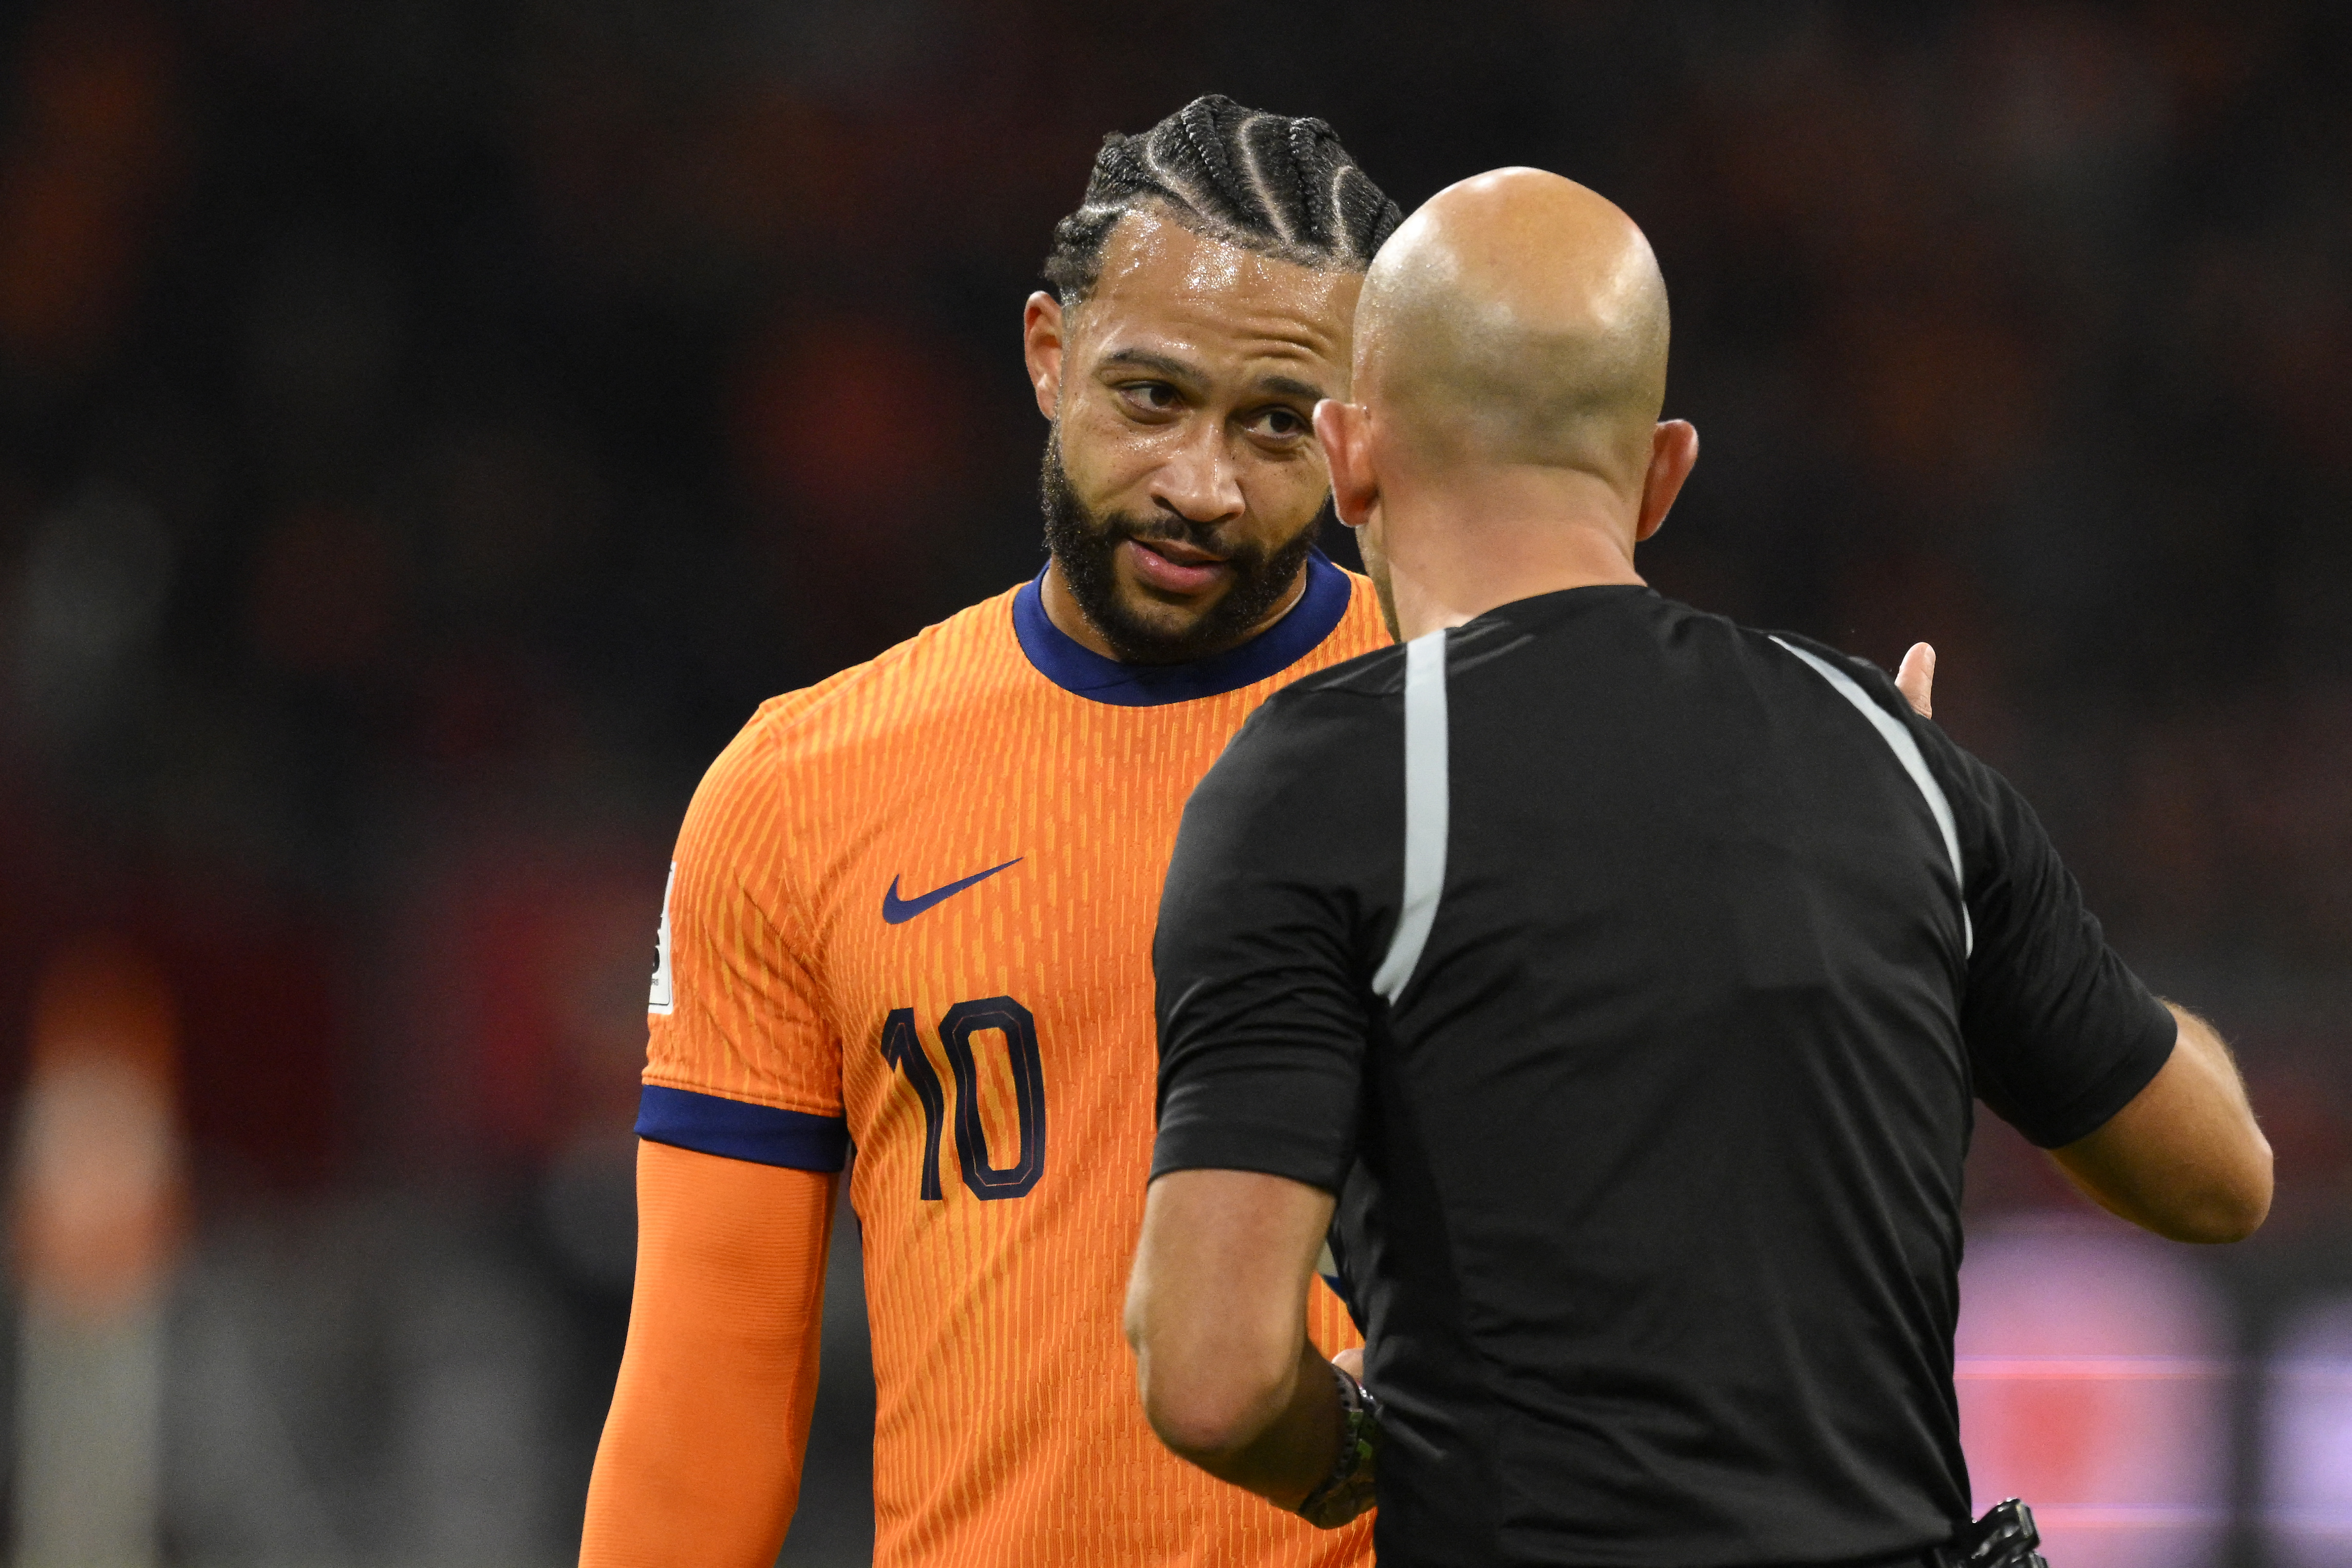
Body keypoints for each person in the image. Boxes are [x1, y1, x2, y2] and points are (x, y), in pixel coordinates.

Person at [1127, 168, 2272, 1568]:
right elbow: (2220, 1179)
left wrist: (1365, 1455)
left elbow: (1212, 1378)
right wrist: (1947, 868)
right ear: (1661, 473)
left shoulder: (1326, 784)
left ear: (1349, 453)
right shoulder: (1895, 765)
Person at [575, 96, 1408, 1568]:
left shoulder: (1489, 732)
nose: (1199, 484)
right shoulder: (796, 790)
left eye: (1274, 424)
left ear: (1360, 437)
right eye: (1150, 397)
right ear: (1046, 353)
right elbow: (709, 1386)